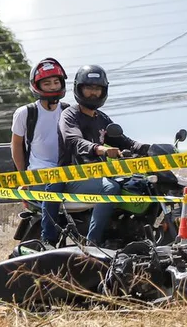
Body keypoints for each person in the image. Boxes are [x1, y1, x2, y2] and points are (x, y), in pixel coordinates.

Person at [57, 65, 150, 247]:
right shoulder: (70, 115)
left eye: (97, 89)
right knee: (110, 189)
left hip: (99, 175)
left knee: (140, 185)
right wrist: (101, 149)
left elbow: (124, 141)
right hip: (73, 176)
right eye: (89, 88)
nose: (93, 93)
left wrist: (149, 148)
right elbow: (74, 141)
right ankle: (92, 244)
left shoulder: (101, 118)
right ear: (79, 88)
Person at [8, 58, 70, 246]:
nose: (52, 86)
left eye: (56, 82)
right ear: (37, 86)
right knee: (55, 181)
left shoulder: (69, 111)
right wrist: (23, 178)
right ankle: (47, 238)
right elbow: (16, 145)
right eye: (47, 83)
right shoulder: (25, 113)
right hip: (38, 174)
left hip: (67, 172)